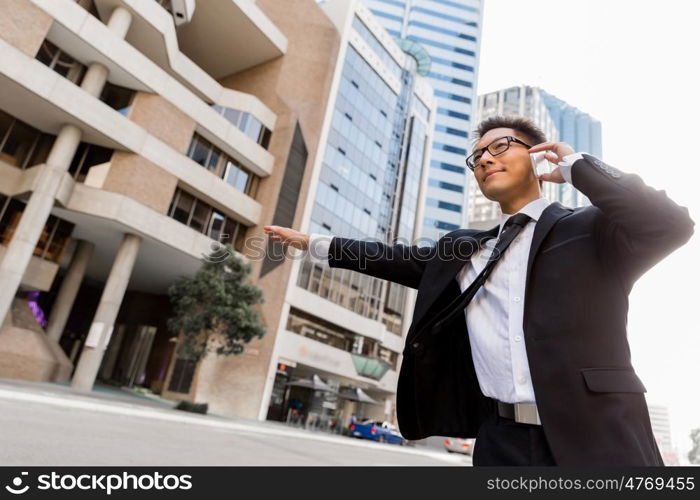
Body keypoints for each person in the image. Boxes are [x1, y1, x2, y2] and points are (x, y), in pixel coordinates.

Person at [263, 116, 694, 465]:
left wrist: (577, 165)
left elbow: (671, 224)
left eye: (501, 146)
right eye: (478, 156)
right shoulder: (465, 249)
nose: (486, 159)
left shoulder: (592, 229)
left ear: (537, 154)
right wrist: (313, 244)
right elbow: (392, 258)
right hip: (499, 442)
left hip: (598, 437)